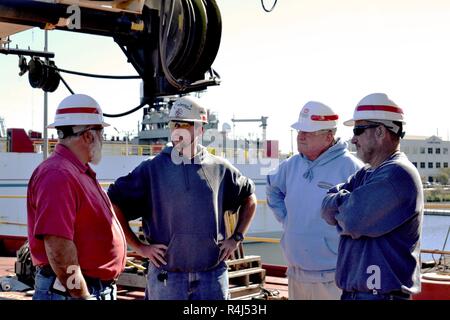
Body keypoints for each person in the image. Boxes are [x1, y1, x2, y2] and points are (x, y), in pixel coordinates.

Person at [107, 95, 257, 300]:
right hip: (167, 280)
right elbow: (114, 202)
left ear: (200, 128)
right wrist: (140, 247)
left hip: (211, 278)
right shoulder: (152, 169)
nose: (177, 129)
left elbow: (249, 198)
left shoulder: (220, 168)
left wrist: (236, 238)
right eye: (173, 124)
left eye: (184, 124)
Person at [321, 93, 424, 300]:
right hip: (356, 294)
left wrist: (344, 208)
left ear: (379, 131)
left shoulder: (397, 175)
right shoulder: (367, 173)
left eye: (358, 130)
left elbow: (353, 219)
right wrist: (346, 204)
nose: (353, 138)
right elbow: (325, 207)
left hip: (381, 295)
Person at [27, 94, 127, 300]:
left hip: (86, 290)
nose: (103, 139)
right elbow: (59, 250)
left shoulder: (75, 171)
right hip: (74, 293)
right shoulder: (59, 175)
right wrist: (81, 295)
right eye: (101, 132)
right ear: (88, 135)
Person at [266, 101, 363, 300]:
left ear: (329, 136)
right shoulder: (291, 164)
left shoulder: (352, 168)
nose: (300, 136)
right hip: (296, 273)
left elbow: (362, 219)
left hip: (334, 277)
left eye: (308, 132)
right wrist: (287, 220)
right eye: (300, 130)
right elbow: (272, 189)